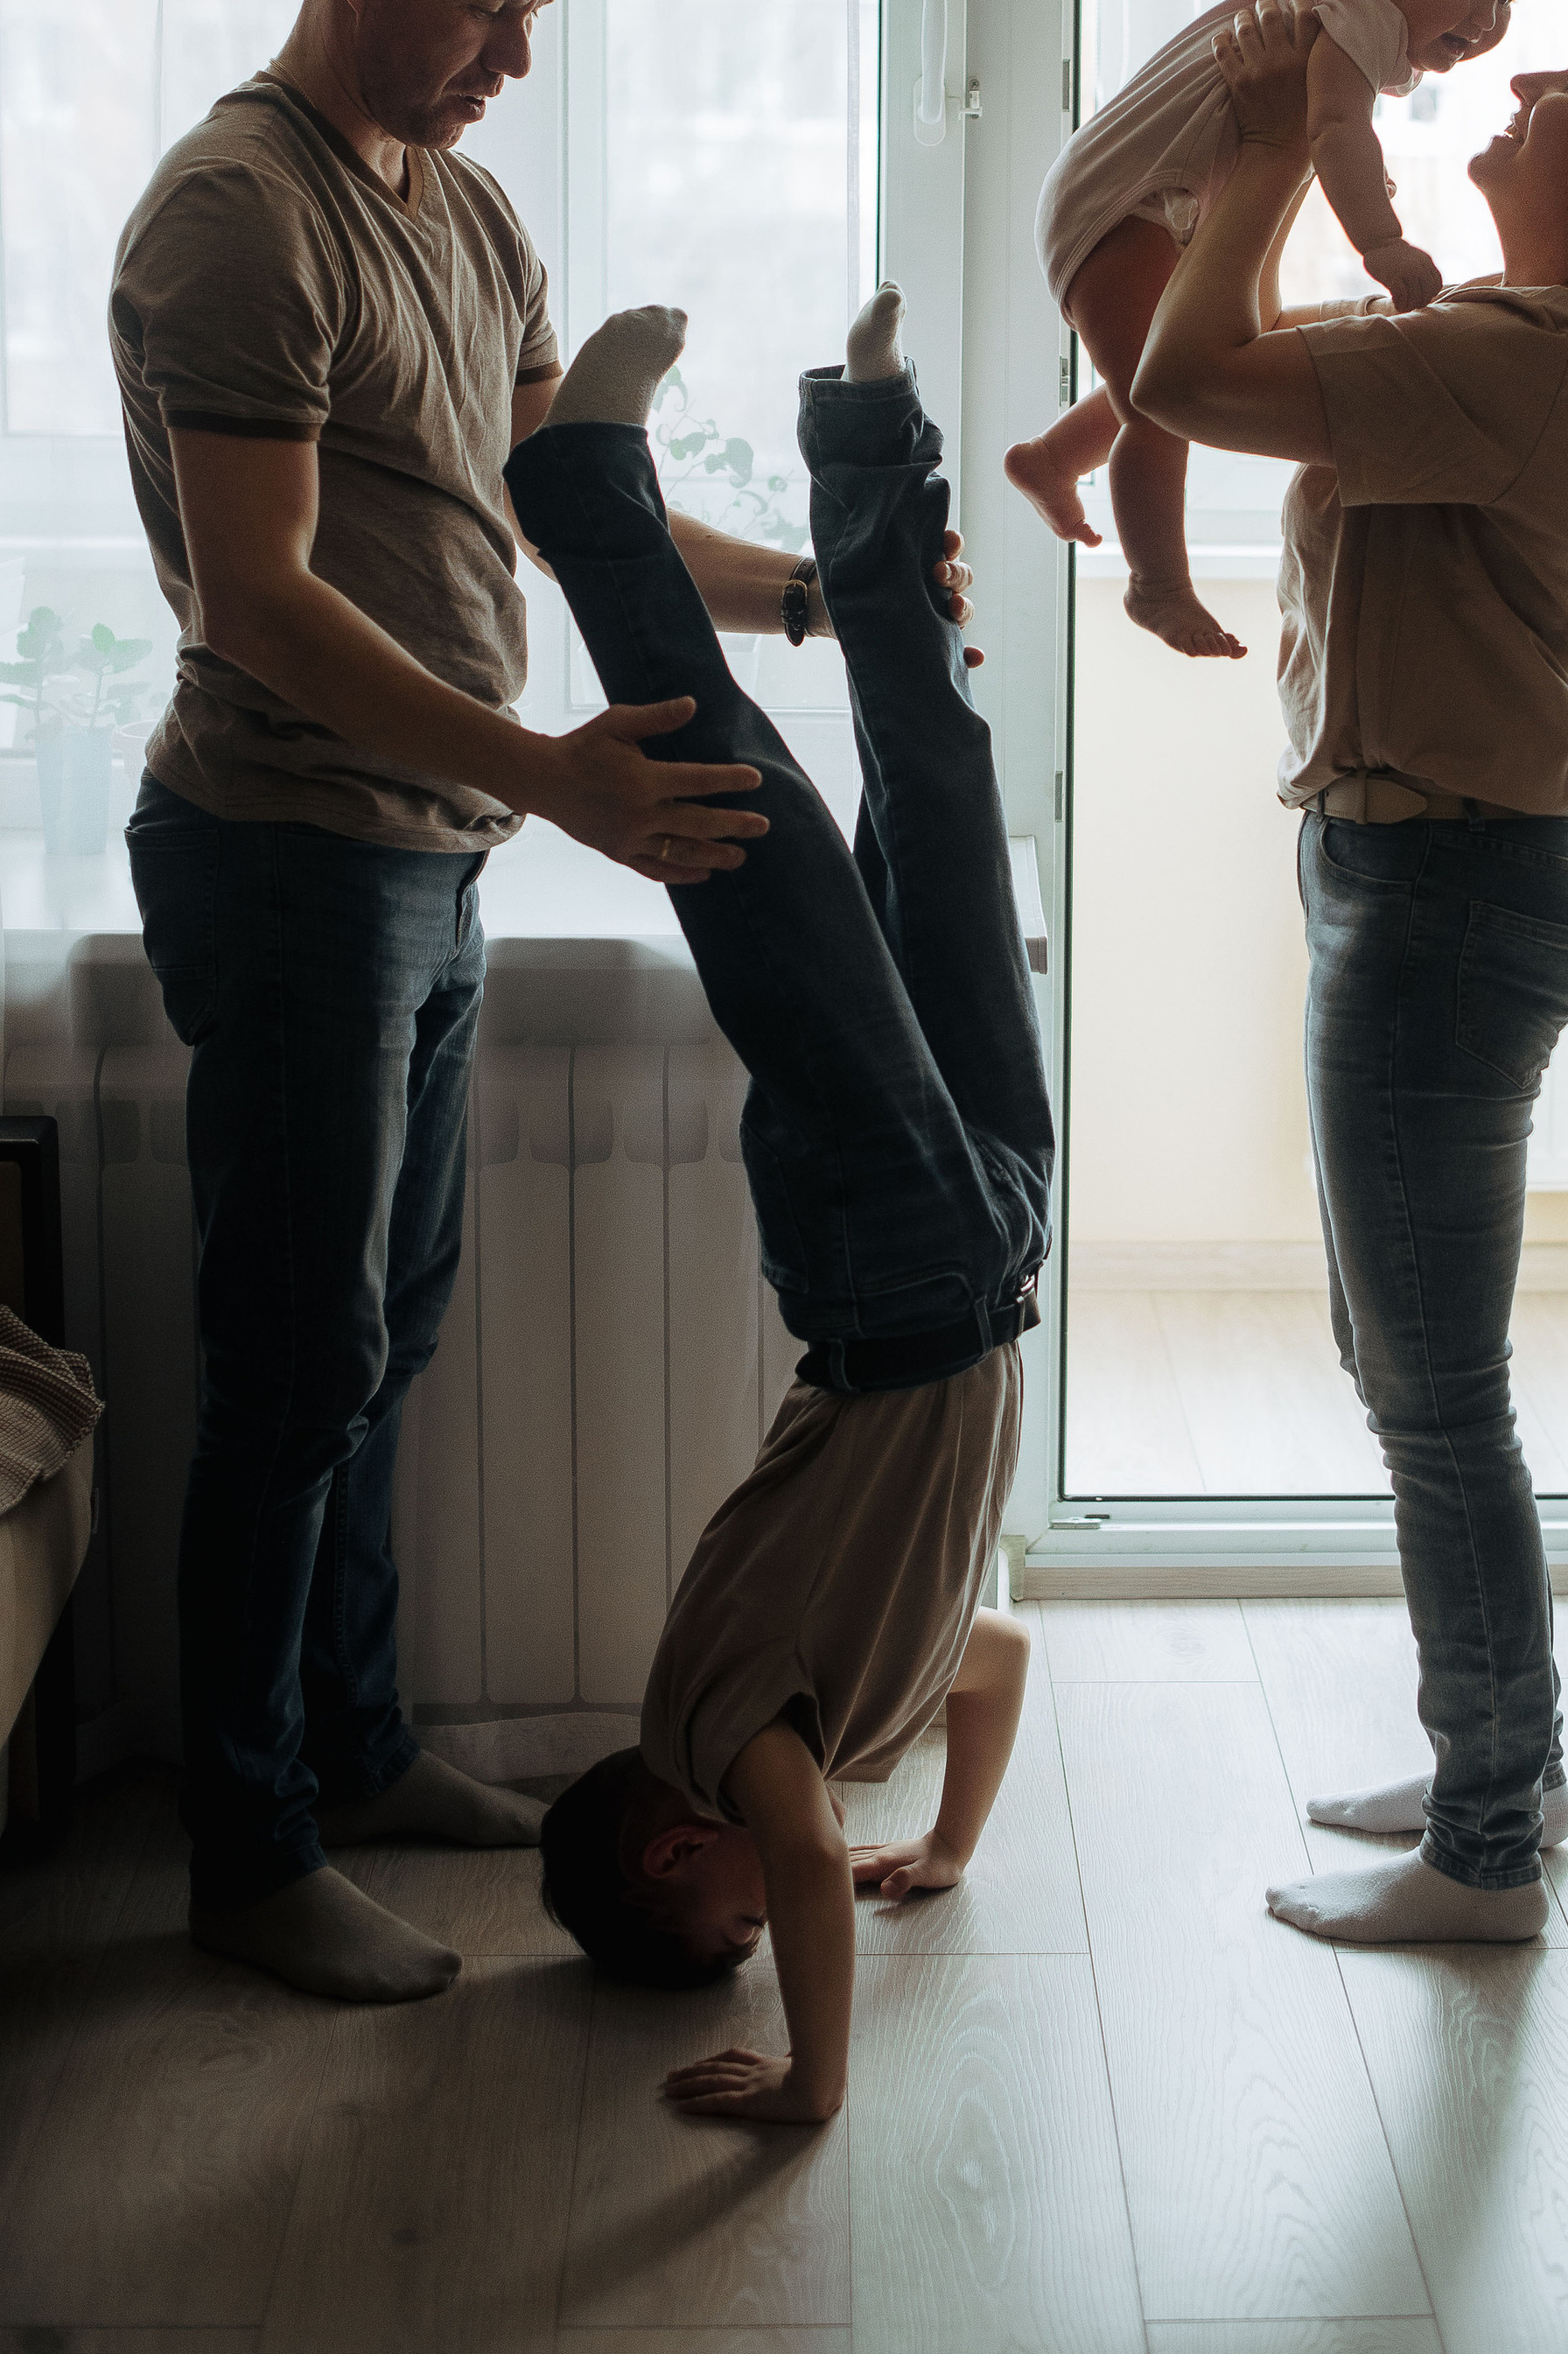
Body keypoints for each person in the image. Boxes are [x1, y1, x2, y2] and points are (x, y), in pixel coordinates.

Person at [108, 0, 966, 2007]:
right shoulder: (235, 213)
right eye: (483, 3)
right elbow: (260, 601)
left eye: (535, 11)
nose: (510, 50)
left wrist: (821, 600)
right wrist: (556, 780)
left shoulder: (468, 217)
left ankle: (367, 1745)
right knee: (296, 1363)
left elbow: (558, 499)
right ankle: (249, 1840)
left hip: (424, 848)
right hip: (291, 848)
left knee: (380, 1341)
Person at [1130, 0, 1568, 1945]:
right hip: (1424, 880)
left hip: (1441, 902)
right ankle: (1506, 1761)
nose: (1518, 81)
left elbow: (1183, 377)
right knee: (1405, 1364)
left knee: (1431, 1397)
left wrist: (1261, 149)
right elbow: (1232, 363)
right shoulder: (1514, 350)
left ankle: (1486, 1845)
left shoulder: (1526, 360)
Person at [519, 287, 1052, 2128]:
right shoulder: (861, 1713)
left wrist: (817, 2085)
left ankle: (583, 487)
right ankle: (867, 430)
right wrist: (956, 1855)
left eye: (731, 1927)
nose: (779, 1899)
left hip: (892, 1262)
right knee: (942, 785)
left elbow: (806, 1861)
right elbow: (999, 1664)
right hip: (992, 1239)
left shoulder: (713, 1729)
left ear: (678, 1857)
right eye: (769, 1935)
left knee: (756, 831)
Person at [1004, 0, 1547, 658]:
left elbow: (1321, 134)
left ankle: (1051, 458)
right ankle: (1157, 584)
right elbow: (1335, 135)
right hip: (1122, 205)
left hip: (1150, 198)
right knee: (1158, 398)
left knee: (1181, 362)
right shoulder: (1357, 4)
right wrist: (1384, 242)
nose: (1487, 20)